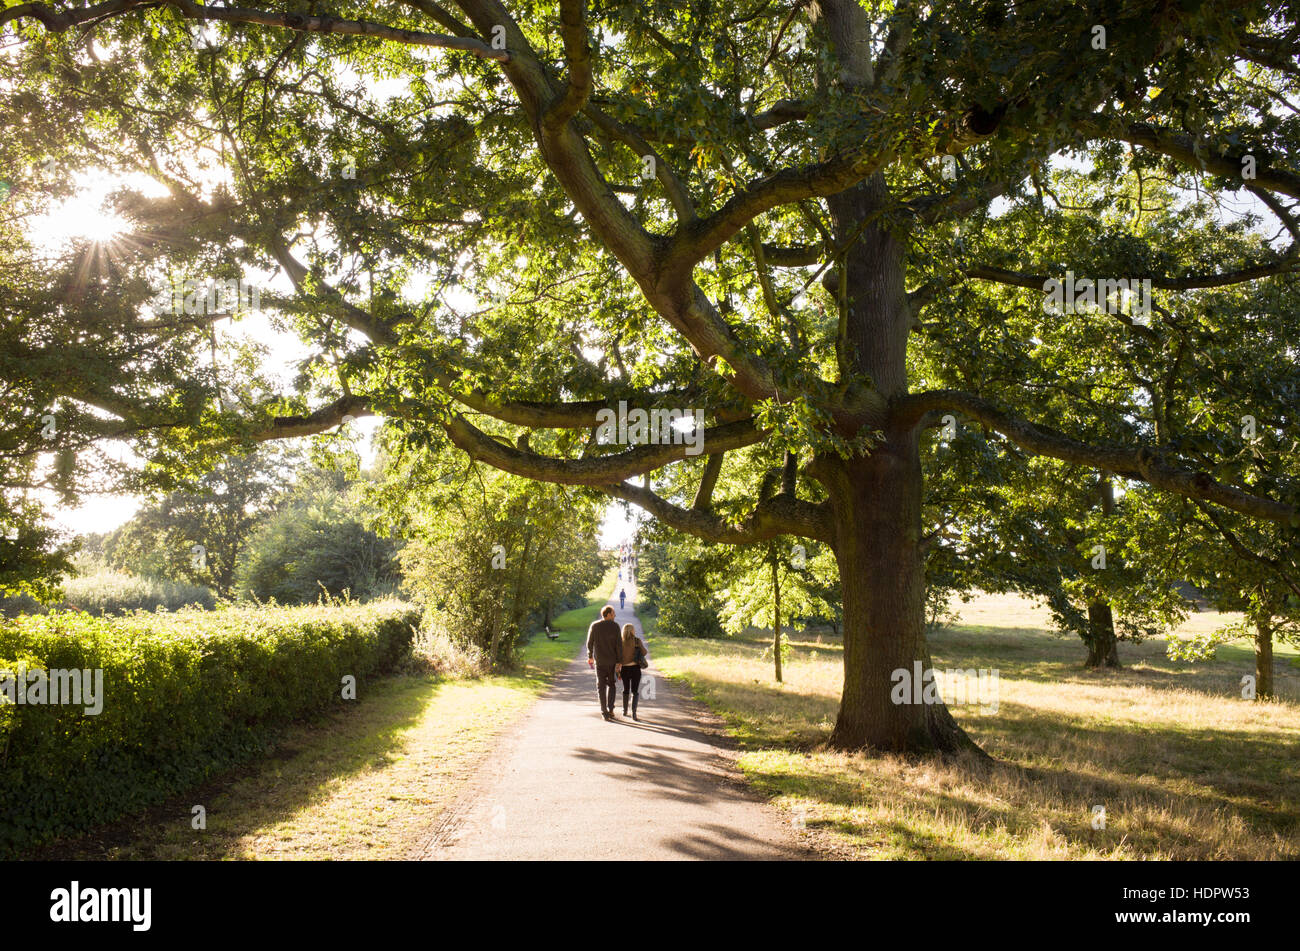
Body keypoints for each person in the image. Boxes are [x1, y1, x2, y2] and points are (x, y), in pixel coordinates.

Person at [586, 605, 623, 721]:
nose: (615, 615)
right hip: (612, 662)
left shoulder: (595, 626)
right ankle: (610, 709)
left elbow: (590, 642)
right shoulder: (615, 626)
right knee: (611, 685)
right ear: (607, 614)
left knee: (601, 687)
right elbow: (619, 645)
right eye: (613, 614)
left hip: (600, 662)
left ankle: (604, 712)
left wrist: (590, 656)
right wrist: (619, 661)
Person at [618, 623, 648, 720]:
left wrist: (617, 670)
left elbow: (618, 657)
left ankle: (624, 710)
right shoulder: (636, 641)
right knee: (635, 691)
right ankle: (634, 713)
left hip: (624, 669)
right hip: (635, 669)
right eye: (633, 629)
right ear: (631, 631)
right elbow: (644, 652)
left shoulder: (620, 642)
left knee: (626, 689)